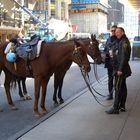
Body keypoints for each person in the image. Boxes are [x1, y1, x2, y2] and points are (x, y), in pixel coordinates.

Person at [106, 27, 132, 114]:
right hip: (120, 68)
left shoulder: (124, 42)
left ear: (122, 32)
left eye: (118, 32)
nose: (116, 34)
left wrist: (120, 69)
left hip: (121, 69)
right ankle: (122, 106)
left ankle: (115, 108)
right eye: (115, 32)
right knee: (123, 87)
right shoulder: (120, 40)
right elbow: (113, 49)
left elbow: (124, 57)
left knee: (117, 88)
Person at [104, 25, 117, 100]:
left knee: (117, 80)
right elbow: (105, 49)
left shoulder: (118, 40)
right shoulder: (108, 39)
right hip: (109, 63)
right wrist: (105, 54)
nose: (113, 32)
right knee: (110, 79)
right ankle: (110, 95)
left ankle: (117, 95)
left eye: (114, 31)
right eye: (112, 31)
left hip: (116, 64)